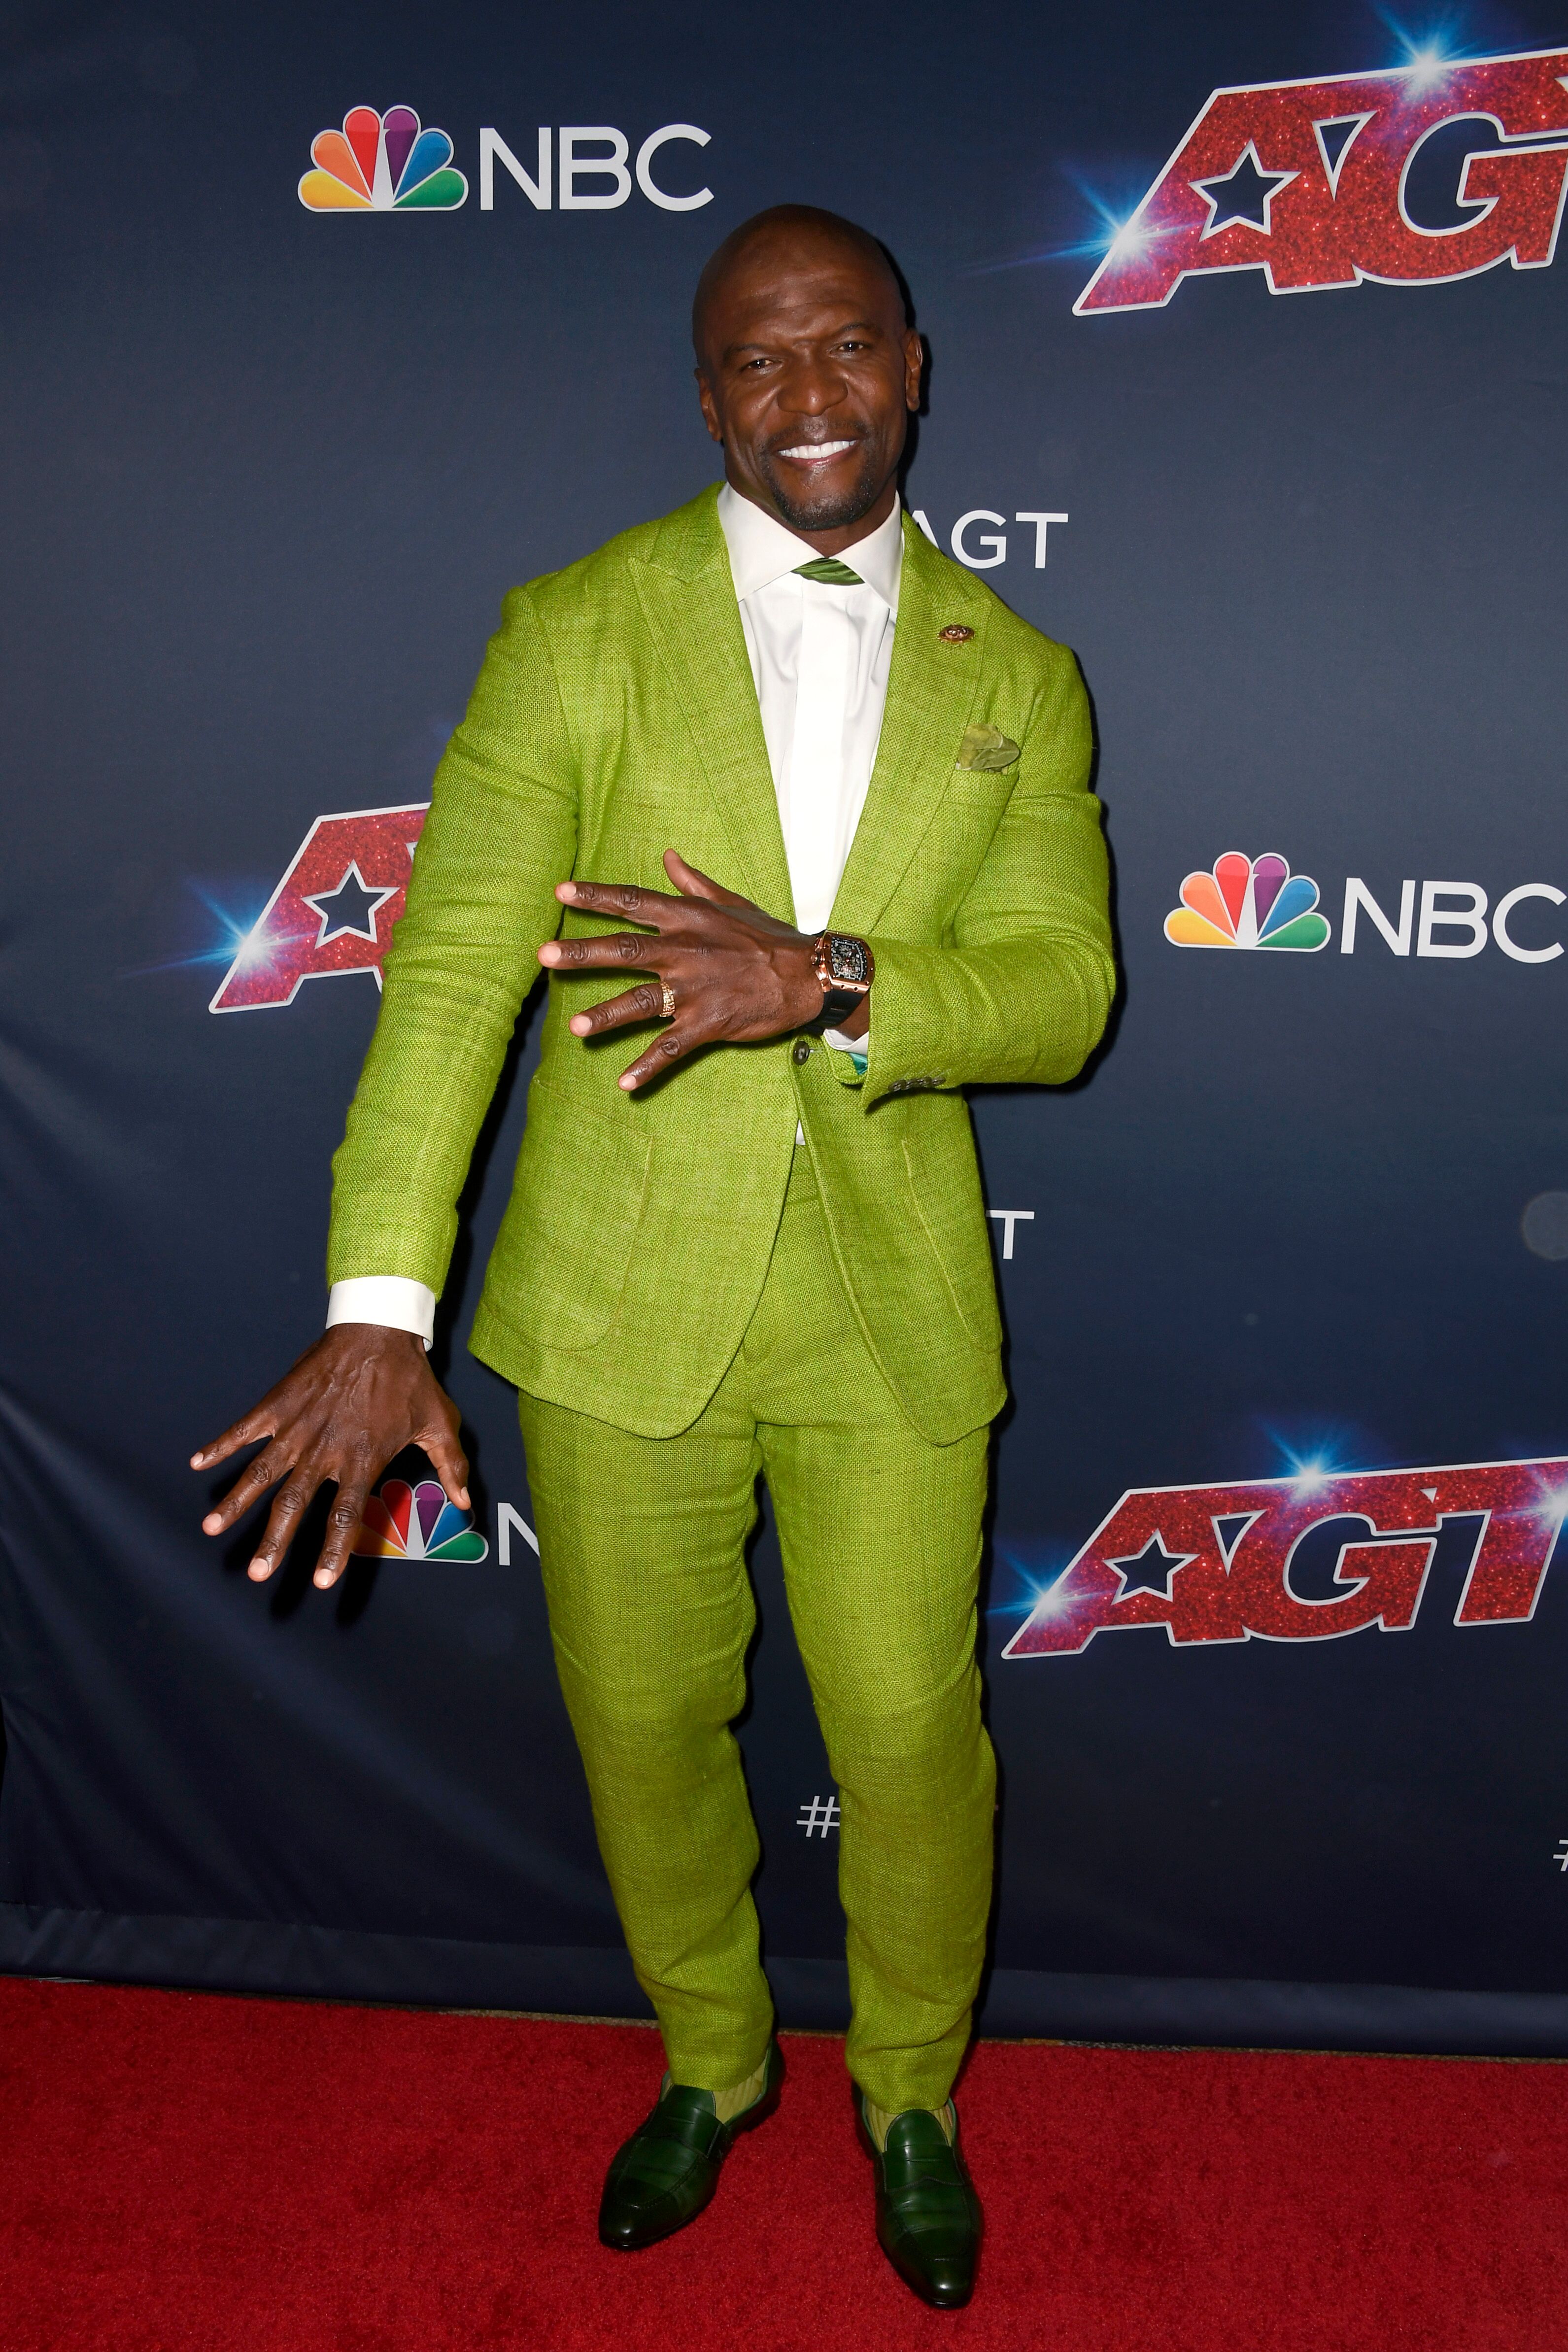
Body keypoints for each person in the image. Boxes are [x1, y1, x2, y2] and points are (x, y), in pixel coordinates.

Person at [192, 204, 1114, 2308]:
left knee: (906, 1740)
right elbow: (444, 986)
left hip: (886, 1317)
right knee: (641, 1724)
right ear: (710, 396)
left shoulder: (1022, 676)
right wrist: (375, 1308)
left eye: (844, 346)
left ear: (912, 366)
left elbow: (1062, 992)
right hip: (616, 1318)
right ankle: (712, 2056)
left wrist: (837, 976)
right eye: (758, 361)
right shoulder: (575, 630)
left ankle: (909, 2096)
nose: (806, 392)